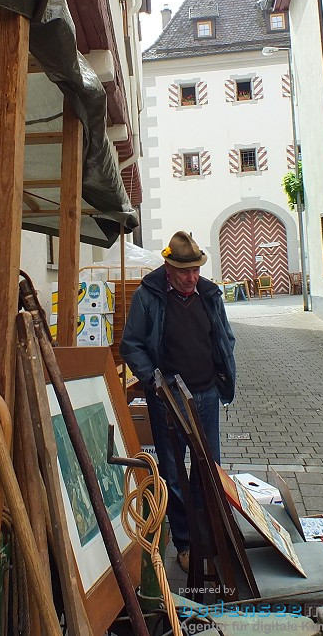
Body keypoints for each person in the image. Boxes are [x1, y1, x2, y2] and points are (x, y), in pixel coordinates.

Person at [120, 231, 237, 573]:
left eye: (196, 270)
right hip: (168, 400)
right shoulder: (149, 295)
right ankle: (186, 543)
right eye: (185, 272)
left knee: (207, 469)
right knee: (173, 475)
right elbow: (132, 344)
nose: (192, 278)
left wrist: (220, 374)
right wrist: (154, 380)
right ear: (169, 269)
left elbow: (225, 336)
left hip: (206, 395)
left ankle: (208, 537)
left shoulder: (209, 293)